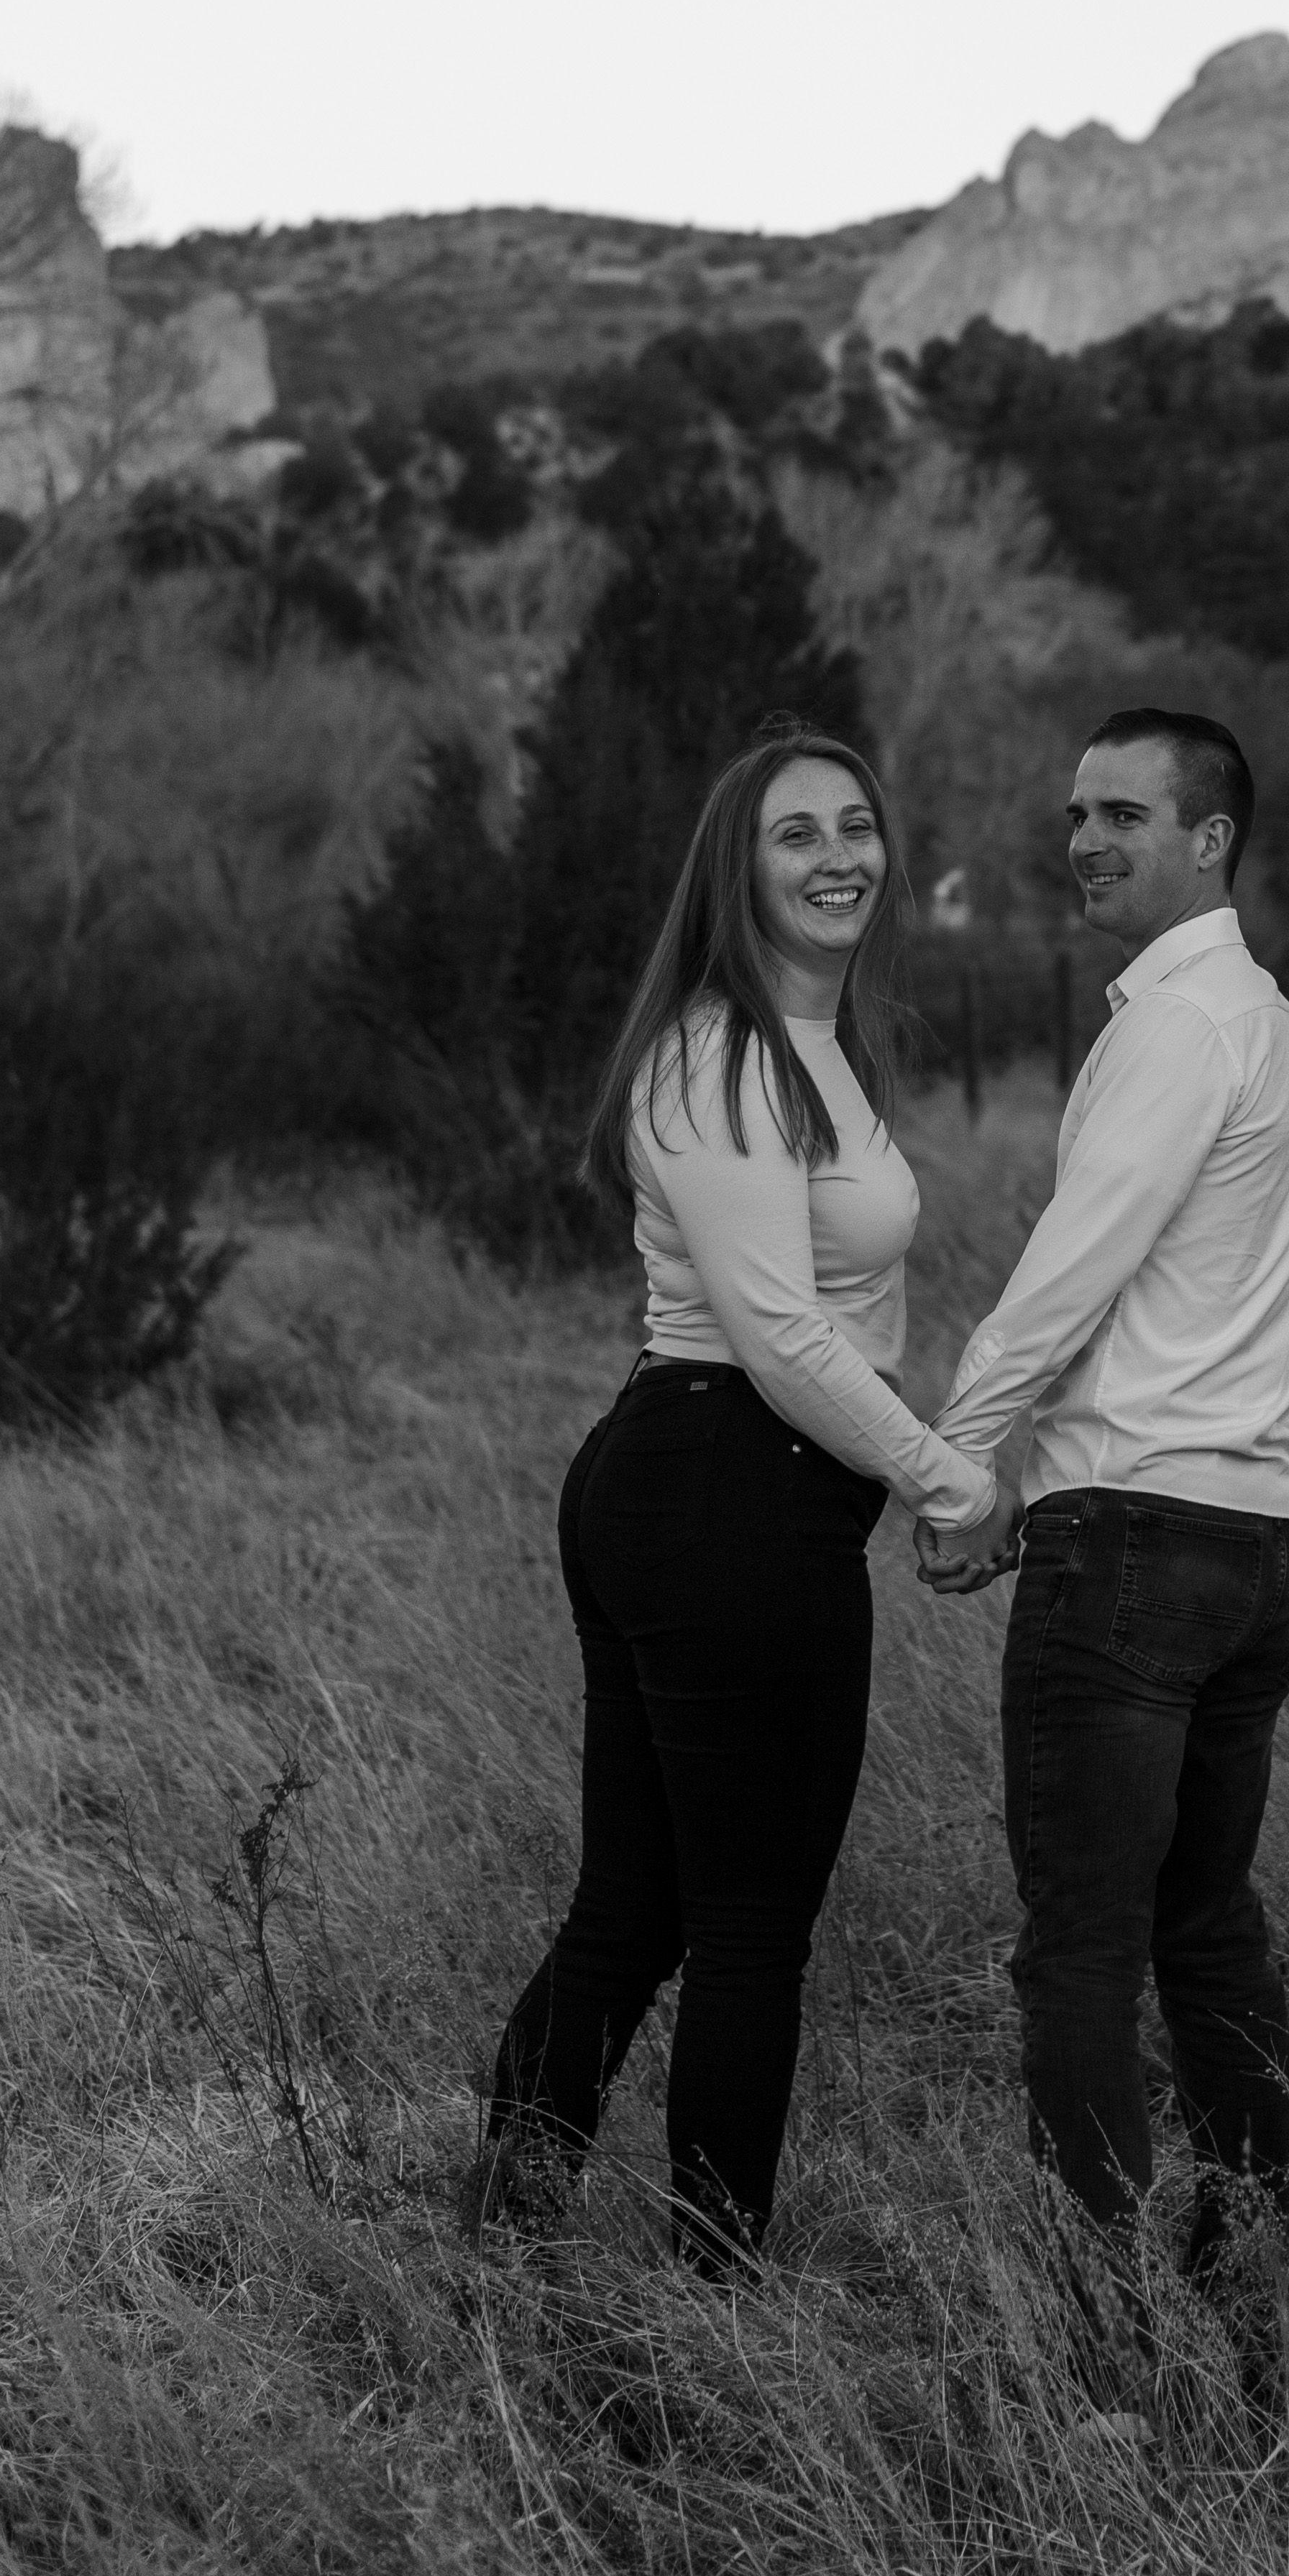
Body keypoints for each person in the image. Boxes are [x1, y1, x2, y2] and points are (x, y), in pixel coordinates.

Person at [470, 723, 996, 2273]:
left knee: (638, 1914)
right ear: (736, 871)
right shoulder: (722, 1054)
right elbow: (779, 1336)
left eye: (857, 827)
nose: (840, 857)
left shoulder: (817, 1042)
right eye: (796, 835)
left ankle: (507, 2245)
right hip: (727, 1490)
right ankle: (712, 2300)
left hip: (717, 1487)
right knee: (745, 1936)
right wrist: (948, 1480)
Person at [920, 707, 1289, 2293]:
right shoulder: (1271, 1026)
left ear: (1210, 838)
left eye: (1123, 816)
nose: (1085, 841)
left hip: (1137, 1545)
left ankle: (1100, 2317)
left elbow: (1071, 1267)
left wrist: (966, 1466)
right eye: (1078, 815)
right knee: (1205, 1921)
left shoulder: (1175, 1025)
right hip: (1258, 1540)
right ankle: (1258, 2270)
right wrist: (1237, 1428)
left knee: (1081, 1947)